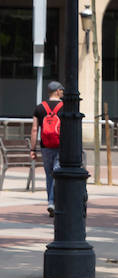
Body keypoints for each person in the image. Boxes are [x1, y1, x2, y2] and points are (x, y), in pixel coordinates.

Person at [29, 80, 64, 216]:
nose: (62, 92)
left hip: (45, 146)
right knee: (57, 173)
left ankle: (51, 202)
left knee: (49, 175)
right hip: (61, 146)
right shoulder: (64, 107)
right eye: (61, 90)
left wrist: (33, 149)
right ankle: (52, 202)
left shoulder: (39, 108)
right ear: (56, 91)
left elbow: (34, 129)